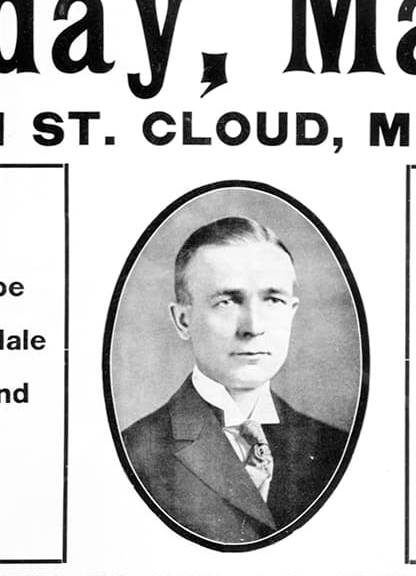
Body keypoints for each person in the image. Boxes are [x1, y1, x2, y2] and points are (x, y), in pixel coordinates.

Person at [120, 215, 349, 546]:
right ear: (183, 320)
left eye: (273, 300)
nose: (253, 326)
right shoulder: (137, 454)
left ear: (291, 312)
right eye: (226, 301)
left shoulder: (333, 448)